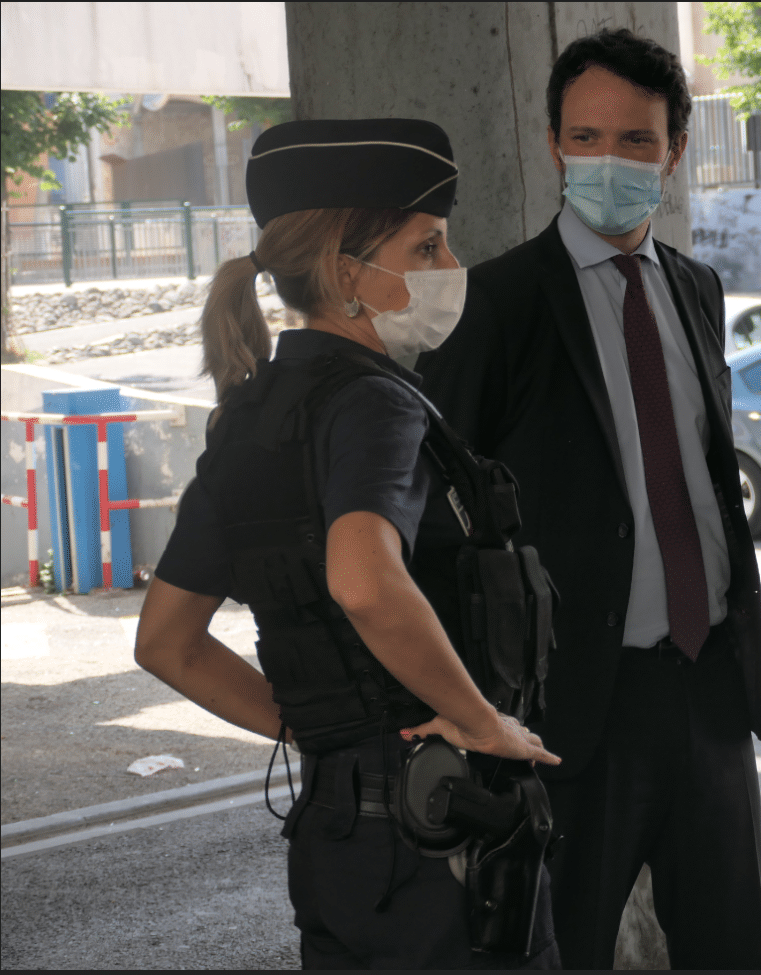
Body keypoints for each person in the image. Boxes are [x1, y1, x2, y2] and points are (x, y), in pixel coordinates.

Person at [133, 118, 562, 969]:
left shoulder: (253, 412)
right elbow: (363, 579)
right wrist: (484, 725)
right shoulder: (375, 401)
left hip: (342, 837)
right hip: (440, 830)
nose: (451, 267)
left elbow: (167, 643)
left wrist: (331, 738)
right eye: (428, 245)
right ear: (347, 274)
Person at [415, 28, 761, 970]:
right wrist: (471, 701)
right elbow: (431, 515)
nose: (607, 160)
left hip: (708, 691)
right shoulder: (495, 304)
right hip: (572, 710)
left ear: (675, 151)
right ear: (551, 144)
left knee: (730, 948)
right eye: (585, 138)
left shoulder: (696, 288)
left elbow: (697, 472)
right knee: (558, 950)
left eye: (635, 141)